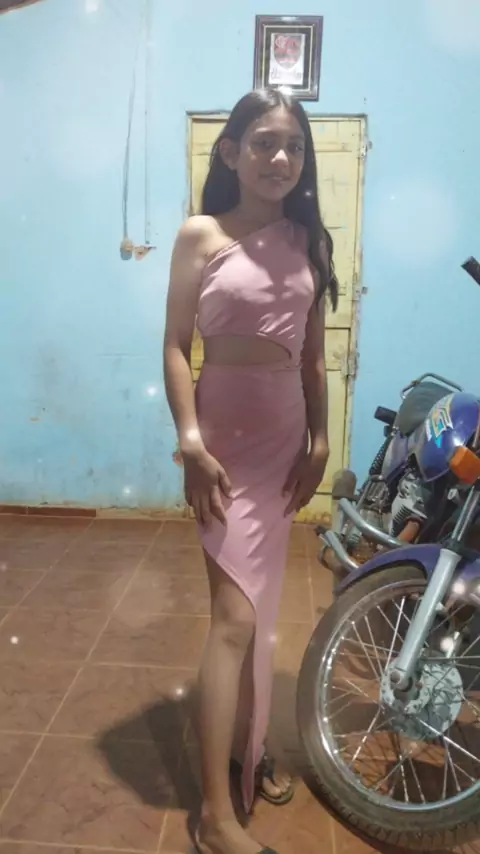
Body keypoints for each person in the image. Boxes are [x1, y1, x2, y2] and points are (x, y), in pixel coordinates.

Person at [163, 87, 338, 854]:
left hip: (284, 445)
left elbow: (312, 357)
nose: (280, 157)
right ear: (231, 152)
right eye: (264, 142)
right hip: (222, 450)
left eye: (293, 145)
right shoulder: (200, 235)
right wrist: (191, 443)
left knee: (260, 615)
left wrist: (322, 440)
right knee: (234, 620)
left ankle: (250, 745)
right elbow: (176, 346)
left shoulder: (308, 240)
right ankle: (214, 816)